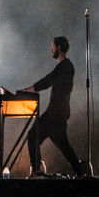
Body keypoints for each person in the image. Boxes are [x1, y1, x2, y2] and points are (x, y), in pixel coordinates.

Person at [22, 36, 84, 177]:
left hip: (55, 113)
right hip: (59, 112)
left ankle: (36, 171)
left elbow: (48, 80)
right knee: (63, 145)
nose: (51, 49)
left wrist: (30, 89)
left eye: (52, 46)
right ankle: (80, 174)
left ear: (59, 48)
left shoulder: (65, 66)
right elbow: (50, 80)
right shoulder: (65, 66)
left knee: (33, 136)